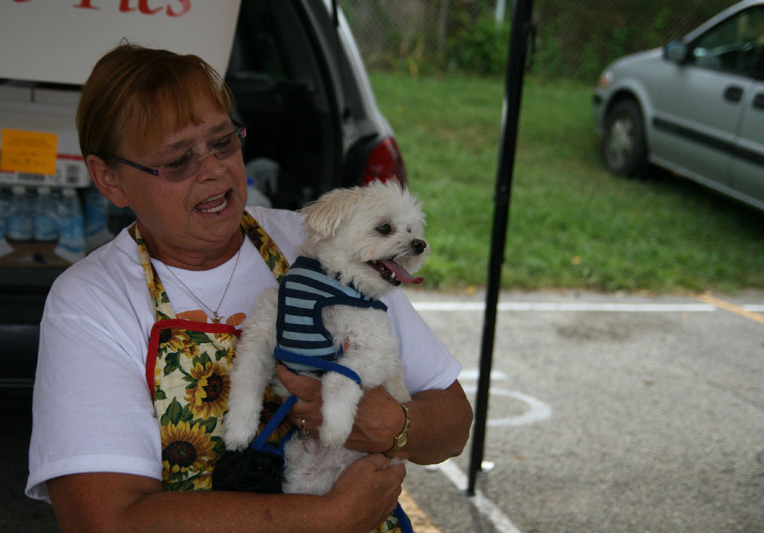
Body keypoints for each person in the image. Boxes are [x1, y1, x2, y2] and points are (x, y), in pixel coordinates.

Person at [26, 43, 473, 532]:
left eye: (223, 142)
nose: (214, 168)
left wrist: (395, 425)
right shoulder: (91, 301)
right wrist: (329, 516)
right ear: (109, 179)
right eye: (178, 161)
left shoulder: (317, 243)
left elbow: (454, 422)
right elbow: (103, 520)